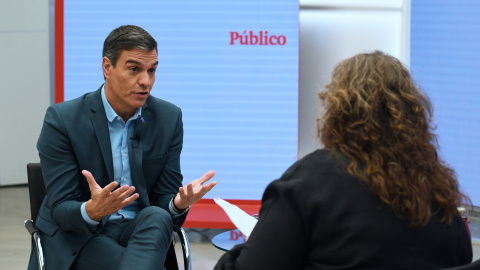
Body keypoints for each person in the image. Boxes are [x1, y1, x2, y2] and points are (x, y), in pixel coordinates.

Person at [214, 51, 472, 270]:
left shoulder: (308, 183)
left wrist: (250, 245)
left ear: (338, 110)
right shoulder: (439, 196)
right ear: (411, 113)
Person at [27, 25, 216, 270]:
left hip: (141, 233)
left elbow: (163, 202)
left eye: (152, 70)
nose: (146, 81)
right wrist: (93, 210)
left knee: (157, 216)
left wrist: (178, 204)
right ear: (107, 67)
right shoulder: (63, 119)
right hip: (82, 235)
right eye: (134, 69)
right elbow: (62, 209)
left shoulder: (168, 118)